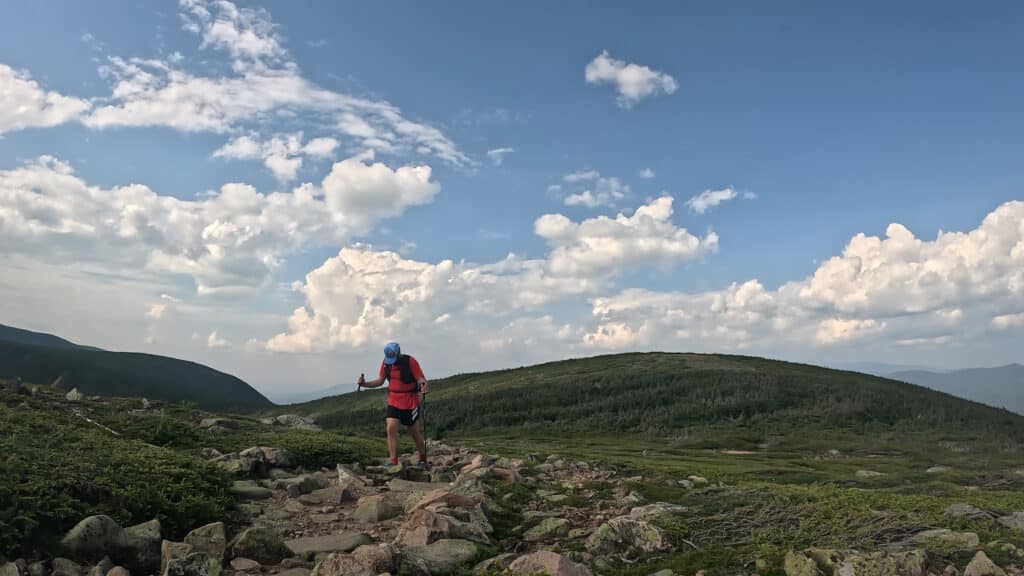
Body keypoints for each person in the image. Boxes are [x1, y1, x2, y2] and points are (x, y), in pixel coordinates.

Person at [357, 342, 430, 474]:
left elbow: (420, 378)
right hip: (393, 400)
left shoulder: (410, 361)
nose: (391, 361)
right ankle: (393, 461)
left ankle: (423, 458)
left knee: (414, 432)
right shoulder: (386, 363)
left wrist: (424, 385)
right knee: (391, 428)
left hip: (410, 401)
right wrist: (364, 384)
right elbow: (380, 381)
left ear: (398, 353)